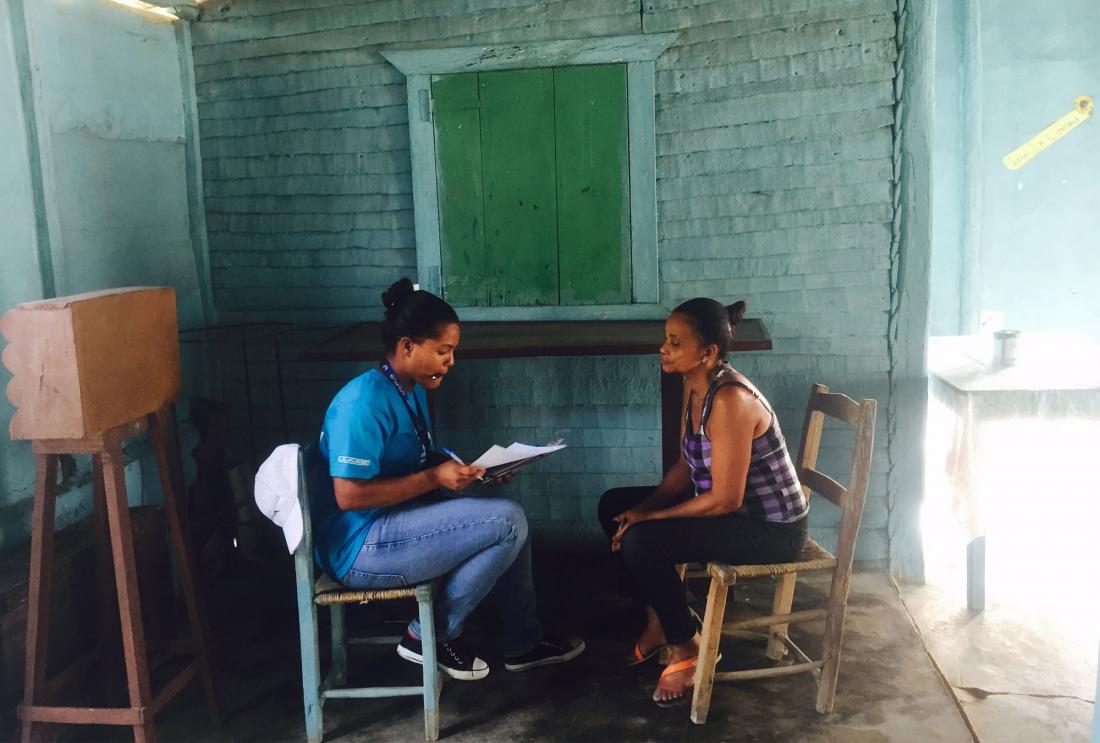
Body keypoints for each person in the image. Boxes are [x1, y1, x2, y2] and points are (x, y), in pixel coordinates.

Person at [313, 277, 584, 680]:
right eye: (443, 351)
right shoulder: (362, 402)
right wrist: (434, 477)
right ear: (407, 346)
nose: (450, 362)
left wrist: (471, 469)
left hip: (395, 523)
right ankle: (428, 636)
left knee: (510, 521)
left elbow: (419, 457)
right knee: (507, 521)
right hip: (359, 547)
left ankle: (523, 642)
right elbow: (348, 495)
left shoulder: (411, 388)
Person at [597, 298, 808, 706]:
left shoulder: (730, 399)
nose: (663, 349)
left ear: (708, 353)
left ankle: (687, 646)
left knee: (643, 540)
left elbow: (725, 500)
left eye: (675, 343)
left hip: (771, 531)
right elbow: (685, 465)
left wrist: (651, 518)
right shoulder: (693, 386)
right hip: (734, 513)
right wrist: (641, 510)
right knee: (613, 507)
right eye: (666, 340)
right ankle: (660, 622)